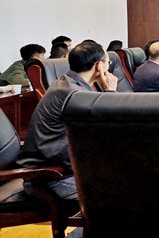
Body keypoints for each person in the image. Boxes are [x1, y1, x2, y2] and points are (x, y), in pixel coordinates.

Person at [17, 42, 118, 200]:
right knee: (126, 194)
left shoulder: (70, 83)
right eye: (108, 63)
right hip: (51, 179)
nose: (108, 67)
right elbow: (109, 129)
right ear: (99, 66)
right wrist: (110, 92)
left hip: (62, 170)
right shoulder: (75, 94)